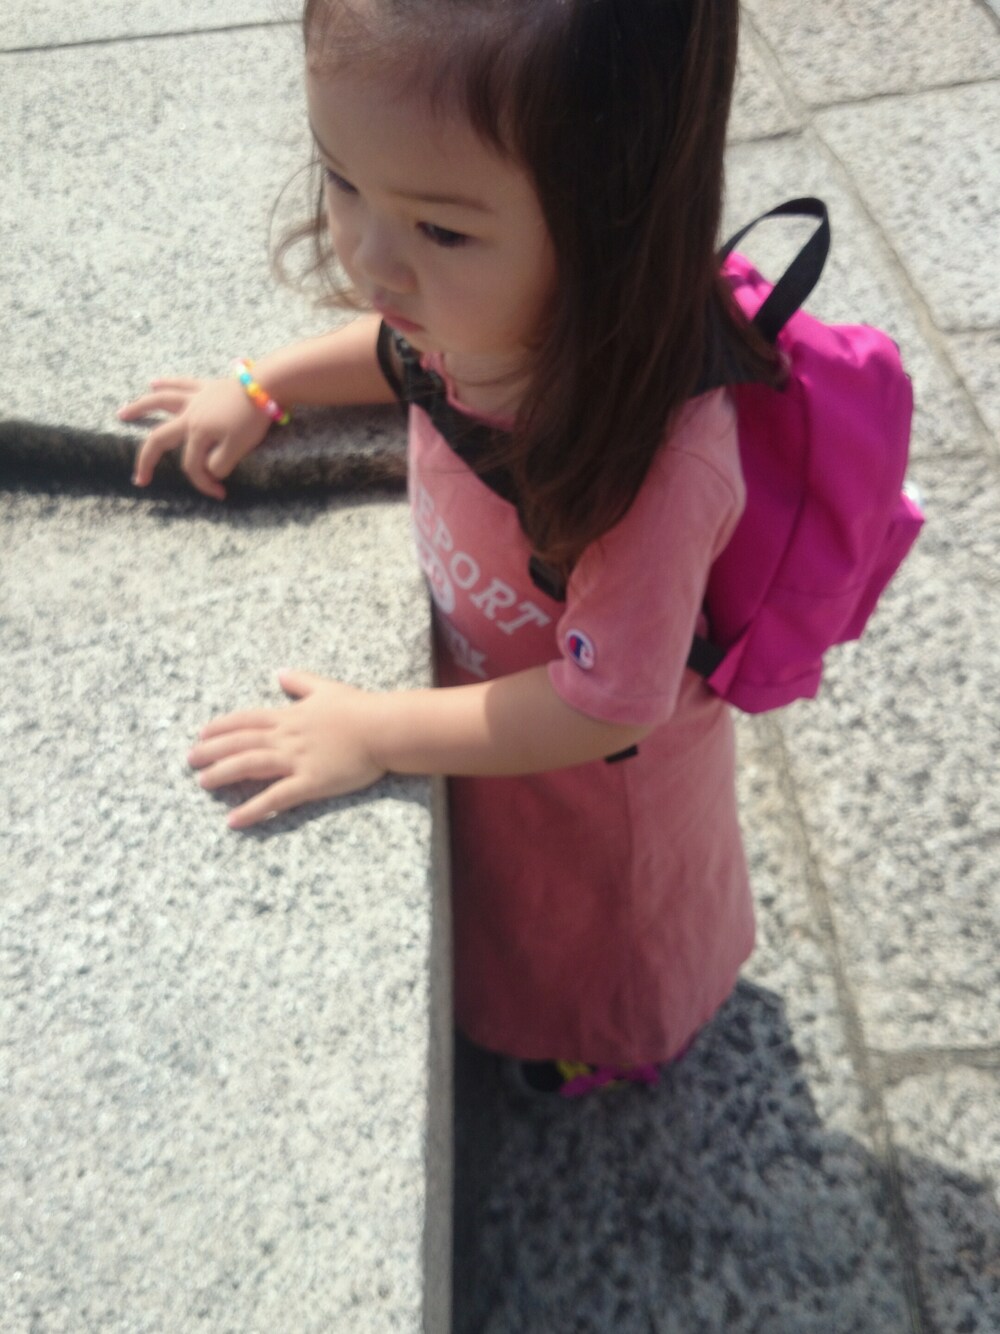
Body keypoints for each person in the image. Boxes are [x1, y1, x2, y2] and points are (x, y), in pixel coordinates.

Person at [118, 0, 782, 1097]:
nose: (372, 258)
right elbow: (397, 350)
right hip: (499, 696)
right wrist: (263, 383)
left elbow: (607, 705)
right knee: (511, 893)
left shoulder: (658, 461)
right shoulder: (480, 309)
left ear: (612, 216)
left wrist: (376, 730)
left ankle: (610, 1043)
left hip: (601, 789)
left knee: (593, 928)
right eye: (342, 180)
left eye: (440, 230)